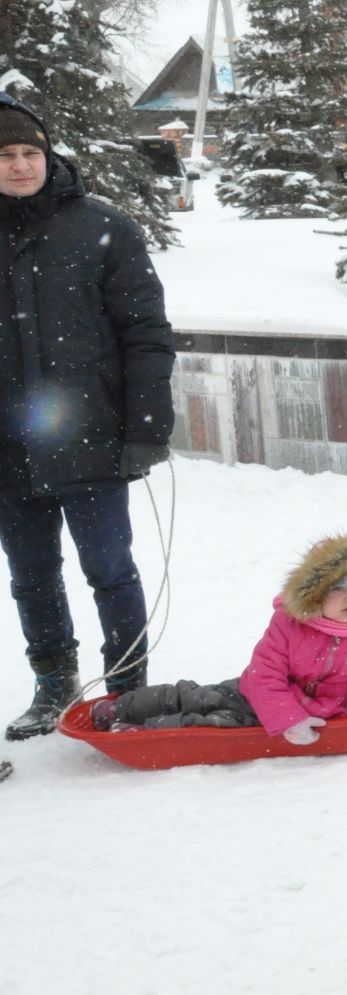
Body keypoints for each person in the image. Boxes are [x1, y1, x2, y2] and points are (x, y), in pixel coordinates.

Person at [0, 93, 173, 741]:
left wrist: (147, 427)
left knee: (110, 567)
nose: (20, 166)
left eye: (29, 153)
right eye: (7, 155)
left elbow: (146, 334)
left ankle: (129, 685)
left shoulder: (103, 227)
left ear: (48, 156)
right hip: (8, 449)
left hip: (92, 438)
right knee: (32, 575)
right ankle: (53, 681)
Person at [91, 532, 347, 737]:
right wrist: (288, 717)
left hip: (315, 713)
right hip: (255, 694)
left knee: (210, 726)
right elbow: (265, 673)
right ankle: (124, 707)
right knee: (198, 697)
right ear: (316, 593)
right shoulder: (290, 624)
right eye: (338, 589)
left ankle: (141, 732)